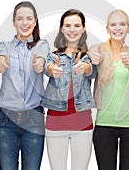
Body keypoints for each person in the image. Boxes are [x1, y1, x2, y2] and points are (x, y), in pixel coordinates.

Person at [0, 1, 49, 170]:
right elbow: (0, 57)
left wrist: (40, 63)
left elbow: (43, 58)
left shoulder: (42, 45)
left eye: (29, 19)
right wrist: (1, 62)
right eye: (20, 19)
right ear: (14, 22)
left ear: (35, 22)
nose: (25, 23)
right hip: (5, 119)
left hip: (33, 118)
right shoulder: (5, 46)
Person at [88, 9, 129, 170]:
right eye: (113, 24)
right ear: (107, 29)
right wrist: (92, 58)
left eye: (122, 24)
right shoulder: (98, 49)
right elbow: (90, 56)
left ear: (128, 28)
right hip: (104, 123)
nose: (118, 28)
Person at [41, 9, 95, 170]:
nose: (72, 29)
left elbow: (92, 70)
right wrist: (52, 70)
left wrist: (85, 67)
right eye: (68, 25)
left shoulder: (89, 56)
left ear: (83, 29)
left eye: (77, 25)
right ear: (62, 29)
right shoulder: (53, 56)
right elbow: (47, 67)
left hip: (83, 124)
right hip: (55, 123)